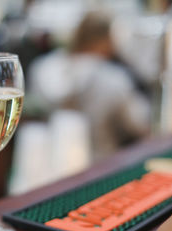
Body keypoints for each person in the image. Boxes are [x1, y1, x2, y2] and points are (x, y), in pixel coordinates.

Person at [28, 11, 151, 160]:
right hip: (101, 169)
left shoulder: (42, 68)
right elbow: (140, 124)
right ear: (107, 40)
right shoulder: (113, 79)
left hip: (51, 168)